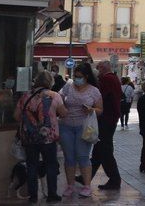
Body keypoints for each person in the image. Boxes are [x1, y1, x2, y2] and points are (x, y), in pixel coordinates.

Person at [14, 71, 67, 203]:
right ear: (50, 82)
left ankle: (33, 196)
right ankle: (52, 195)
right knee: (51, 165)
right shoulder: (55, 96)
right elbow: (64, 113)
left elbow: (16, 116)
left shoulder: (25, 96)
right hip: (48, 138)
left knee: (32, 165)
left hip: (29, 137)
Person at [58, 63, 102, 199]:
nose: (76, 79)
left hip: (84, 128)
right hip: (66, 126)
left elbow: (100, 110)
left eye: (79, 77)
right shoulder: (68, 87)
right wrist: (62, 109)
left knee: (83, 156)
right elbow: (60, 100)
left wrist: (91, 110)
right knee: (69, 157)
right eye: (75, 76)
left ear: (86, 77)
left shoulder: (94, 91)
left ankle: (87, 186)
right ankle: (70, 185)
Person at [89, 60, 122, 190]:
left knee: (104, 149)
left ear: (102, 68)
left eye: (98, 68)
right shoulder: (113, 78)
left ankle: (114, 179)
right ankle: (88, 175)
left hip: (106, 118)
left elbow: (99, 97)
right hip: (110, 118)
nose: (98, 71)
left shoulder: (106, 79)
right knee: (99, 149)